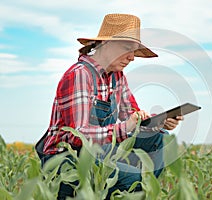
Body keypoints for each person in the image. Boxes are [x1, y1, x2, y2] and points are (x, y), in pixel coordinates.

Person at [36, 13, 183, 199]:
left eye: (135, 50)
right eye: (127, 48)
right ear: (105, 44)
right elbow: (78, 135)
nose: (132, 57)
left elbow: (132, 115)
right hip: (67, 160)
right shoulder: (80, 75)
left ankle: (142, 191)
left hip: (101, 151)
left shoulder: (117, 76)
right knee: (133, 179)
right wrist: (126, 126)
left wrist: (159, 122)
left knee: (159, 138)